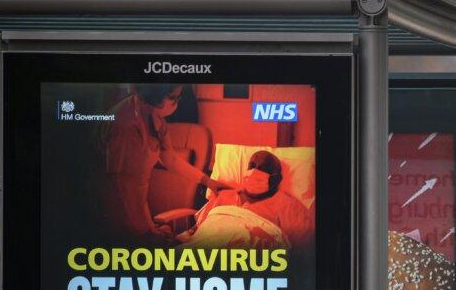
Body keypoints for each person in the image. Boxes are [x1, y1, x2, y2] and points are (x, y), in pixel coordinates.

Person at [103, 84, 230, 242]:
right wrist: (147, 232)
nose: (177, 103)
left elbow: (171, 158)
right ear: (153, 95)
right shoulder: (125, 124)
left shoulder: (156, 120)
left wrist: (208, 181)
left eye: (179, 97)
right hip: (113, 207)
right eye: (173, 98)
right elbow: (124, 188)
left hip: (137, 204)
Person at [188, 150, 312, 249]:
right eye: (252, 166)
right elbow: (196, 231)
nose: (254, 172)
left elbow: (304, 249)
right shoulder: (224, 195)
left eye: (263, 169)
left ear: (276, 179)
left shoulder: (288, 206)